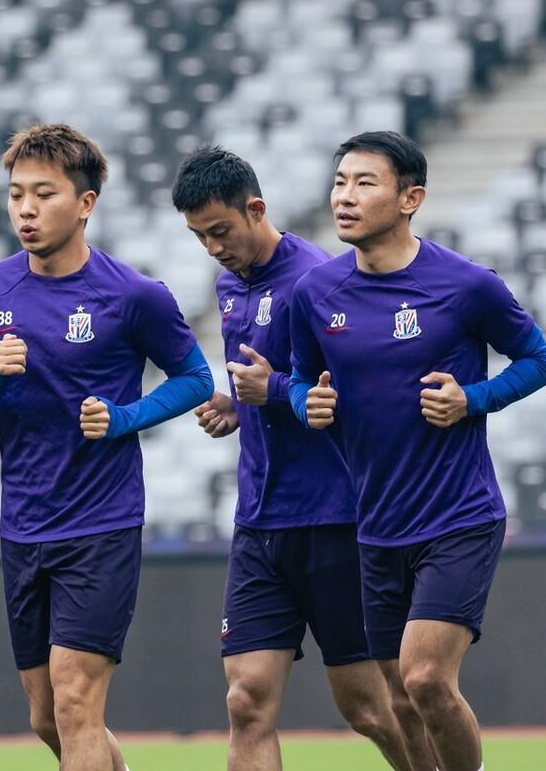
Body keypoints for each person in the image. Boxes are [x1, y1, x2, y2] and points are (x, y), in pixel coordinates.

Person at [0, 124, 212, 771]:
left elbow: (197, 378)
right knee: (46, 715)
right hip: (23, 525)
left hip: (101, 522)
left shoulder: (133, 294)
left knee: (75, 701)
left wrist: (124, 418)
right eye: (16, 195)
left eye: (44, 194)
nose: (25, 209)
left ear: (85, 203)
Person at [287, 131, 546, 771]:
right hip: (376, 522)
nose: (344, 197)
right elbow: (301, 379)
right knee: (402, 701)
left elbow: (539, 360)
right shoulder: (314, 294)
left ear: (411, 199)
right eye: (340, 182)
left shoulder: (466, 284)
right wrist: (306, 404)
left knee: (427, 677)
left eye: (365, 183)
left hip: (458, 515)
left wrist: (474, 398)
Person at [172, 146, 416, 771]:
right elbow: (261, 385)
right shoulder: (229, 285)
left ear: (256, 209)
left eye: (220, 231)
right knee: (246, 700)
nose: (212, 248)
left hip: (334, 519)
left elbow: (361, 394)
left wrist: (274, 390)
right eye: (199, 236)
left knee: (369, 708)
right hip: (259, 523)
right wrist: (237, 405)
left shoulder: (320, 281)